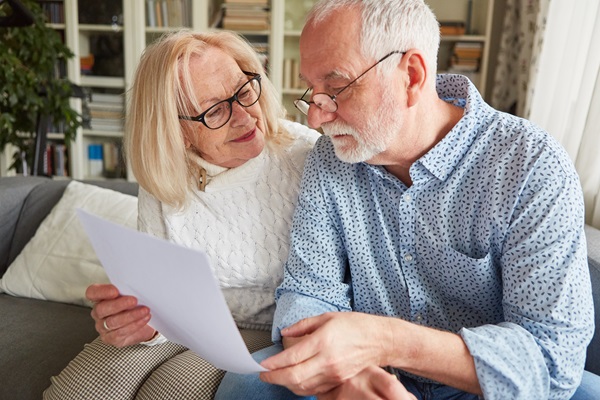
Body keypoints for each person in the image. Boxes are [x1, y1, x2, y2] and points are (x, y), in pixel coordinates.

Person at [215, 1, 599, 399]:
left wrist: (387, 340)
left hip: (482, 387)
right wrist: (345, 378)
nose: (314, 118)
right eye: (314, 90)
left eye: (337, 87)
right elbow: (307, 293)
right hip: (365, 376)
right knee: (245, 387)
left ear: (411, 76)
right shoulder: (330, 158)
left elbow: (552, 358)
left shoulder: (530, 165)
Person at [43, 29, 320, 399]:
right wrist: (141, 321)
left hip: (264, 327)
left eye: (243, 90)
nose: (245, 116)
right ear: (177, 130)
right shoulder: (165, 173)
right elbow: (159, 291)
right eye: (215, 109)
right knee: (75, 393)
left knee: (168, 391)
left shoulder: (307, 156)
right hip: (180, 323)